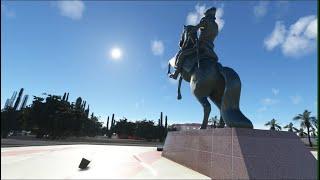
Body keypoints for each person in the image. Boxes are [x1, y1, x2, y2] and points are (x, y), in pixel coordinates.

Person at [169, 7, 219, 80]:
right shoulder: (216, 26)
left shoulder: (205, 20)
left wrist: (191, 32)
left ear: (207, 15)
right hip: (210, 49)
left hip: (201, 46)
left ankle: (175, 74)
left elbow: (193, 30)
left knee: (182, 54)